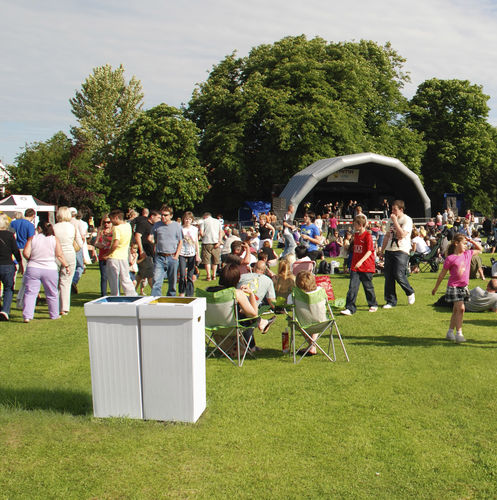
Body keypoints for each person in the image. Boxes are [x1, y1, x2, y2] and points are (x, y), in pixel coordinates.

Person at [207, 263, 276, 353]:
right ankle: (257, 331)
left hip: (212, 326)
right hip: (231, 327)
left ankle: (261, 324)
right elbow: (254, 314)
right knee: (247, 315)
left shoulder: (208, 290)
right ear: (236, 279)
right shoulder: (237, 293)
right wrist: (251, 294)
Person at [432, 234, 483, 343]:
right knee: (461, 309)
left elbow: (480, 248)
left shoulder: (468, 254)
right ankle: (459, 333)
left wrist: (471, 240)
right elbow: (442, 274)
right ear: (456, 243)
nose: (466, 246)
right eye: (464, 243)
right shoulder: (450, 258)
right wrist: (436, 288)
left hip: (463, 287)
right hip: (454, 287)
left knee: (456, 310)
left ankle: (450, 332)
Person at [22, 222, 70, 323]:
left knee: (30, 292)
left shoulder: (33, 238)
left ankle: (27, 315)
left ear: (39, 228)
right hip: (50, 268)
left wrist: (31, 258)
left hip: (33, 267)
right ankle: (54, 314)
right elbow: (59, 254)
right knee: (52, 293)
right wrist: (66, 265)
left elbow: (26, 253)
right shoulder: (54, 239)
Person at [378, 200, 415, 308]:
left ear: (401, 210)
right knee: (388, 276)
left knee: (399, 274)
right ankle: (390, 301)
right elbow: (387, 236)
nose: (392, 211)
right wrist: (382, 250)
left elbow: (402, 234)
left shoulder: (407, 220)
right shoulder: (390, 220)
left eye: (395, 209)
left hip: (402, 250)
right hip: (390, 249)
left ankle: (409, 291)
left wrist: (395, 222)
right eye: (392, 209)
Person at [340, 214, 378, 315]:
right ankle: (350, 308)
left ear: (360, 225)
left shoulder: (368, 236)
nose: (353, 226)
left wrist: (361, 261)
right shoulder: (356, 235)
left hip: (366, 266)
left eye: (355, 224)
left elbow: (370, 251)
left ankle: (373, 304)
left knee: (368, 287)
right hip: (355, 267)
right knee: (352, 287)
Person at [150, 205, 183, 296]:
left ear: (171, 216)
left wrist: (176, 256)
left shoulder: (177, 226)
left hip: (172, 256)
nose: (163, 217)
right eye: (162, 215)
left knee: (172, 282)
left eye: (166, 215)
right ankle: (155, 300)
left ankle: (171, 300)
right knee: (156, 280)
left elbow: (180, 242)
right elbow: (155, 239)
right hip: (159, 257)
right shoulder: (157, 225)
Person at [105, 209, 137, 296]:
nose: (111, 222)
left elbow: (115, 243)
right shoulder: (128, 226)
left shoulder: (116, 228)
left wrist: (107, 254)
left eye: (111, 219)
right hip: (124, 256)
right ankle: (132, 295)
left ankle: (115, 297)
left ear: (116, 218)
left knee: (113, 280)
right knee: (126, 278)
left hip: (114, 257)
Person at [53, 206, 77, 314]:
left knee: (56, 281)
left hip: (56, 254)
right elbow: (79, 243)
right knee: (66, 281)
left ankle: (56, 306)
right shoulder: (72, 227)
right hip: (69, 253)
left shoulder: (54, 227)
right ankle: (65, 307)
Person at [11, 208, 36, 308]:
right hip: (25, 249)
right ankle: (20, 297)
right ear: (33, 216)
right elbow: (31, 239)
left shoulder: (13, 223)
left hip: (13, 249)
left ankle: (10, 292)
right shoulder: (30, 225)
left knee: (13, 273)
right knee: (25, 275)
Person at [0, 213, 22, 321]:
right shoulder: (9, 235)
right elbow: (15, 251)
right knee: (8, 289)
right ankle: (5, 310)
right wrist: (20, 262)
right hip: (7, 265)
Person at [134, 210, 161, 294]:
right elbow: (138, 236)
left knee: (141, 274)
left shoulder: (154, 226)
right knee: (150, 273)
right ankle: (156, 292)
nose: (160, 219)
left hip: (150, 252)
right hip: (144, 253)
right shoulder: (144, 224)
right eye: (158, 217)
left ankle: (132, 291)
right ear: (152, 216)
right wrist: (141, 250)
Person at [178, 211, 200, 297]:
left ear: (192, 220)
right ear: (184, 219)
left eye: (189, 219)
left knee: (190, 275)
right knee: (183, 274)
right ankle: (181, 291)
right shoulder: (180, 228)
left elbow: (196, 242)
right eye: (186, 219)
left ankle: (189, 293)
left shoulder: (194, 229)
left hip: (192, 252)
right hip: (182, 252)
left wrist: (197, 254)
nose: (187, 220)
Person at [199, 211, 223, 281]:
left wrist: (202, 236)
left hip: (206, 242)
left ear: (205, 216)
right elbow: (221, 232)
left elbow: (201, 233)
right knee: (215, 260)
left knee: (207, 261)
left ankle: (208, 276)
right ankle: (214, 275)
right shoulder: (217, 221)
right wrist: (219, 241)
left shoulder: (203, 221)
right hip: (216, 242)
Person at [94, 215, 113, 296]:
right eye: (104, 222)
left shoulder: (114, 230)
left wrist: (107, 238)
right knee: (104, 277)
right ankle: (103, 295)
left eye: (108, 222)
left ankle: (115, 294)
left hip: (112, 256)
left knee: (114, 277)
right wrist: (99, 245)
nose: (106, 224)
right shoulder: (100, 230)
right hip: (103, 256)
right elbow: (96, 242)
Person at [70, 208, 86, 294]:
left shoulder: (65, 223)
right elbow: (82, 235)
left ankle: (70, 282)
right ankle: (74, 281)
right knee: (80, 266)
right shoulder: (78, 222)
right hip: (77, 245)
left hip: (68, 246)